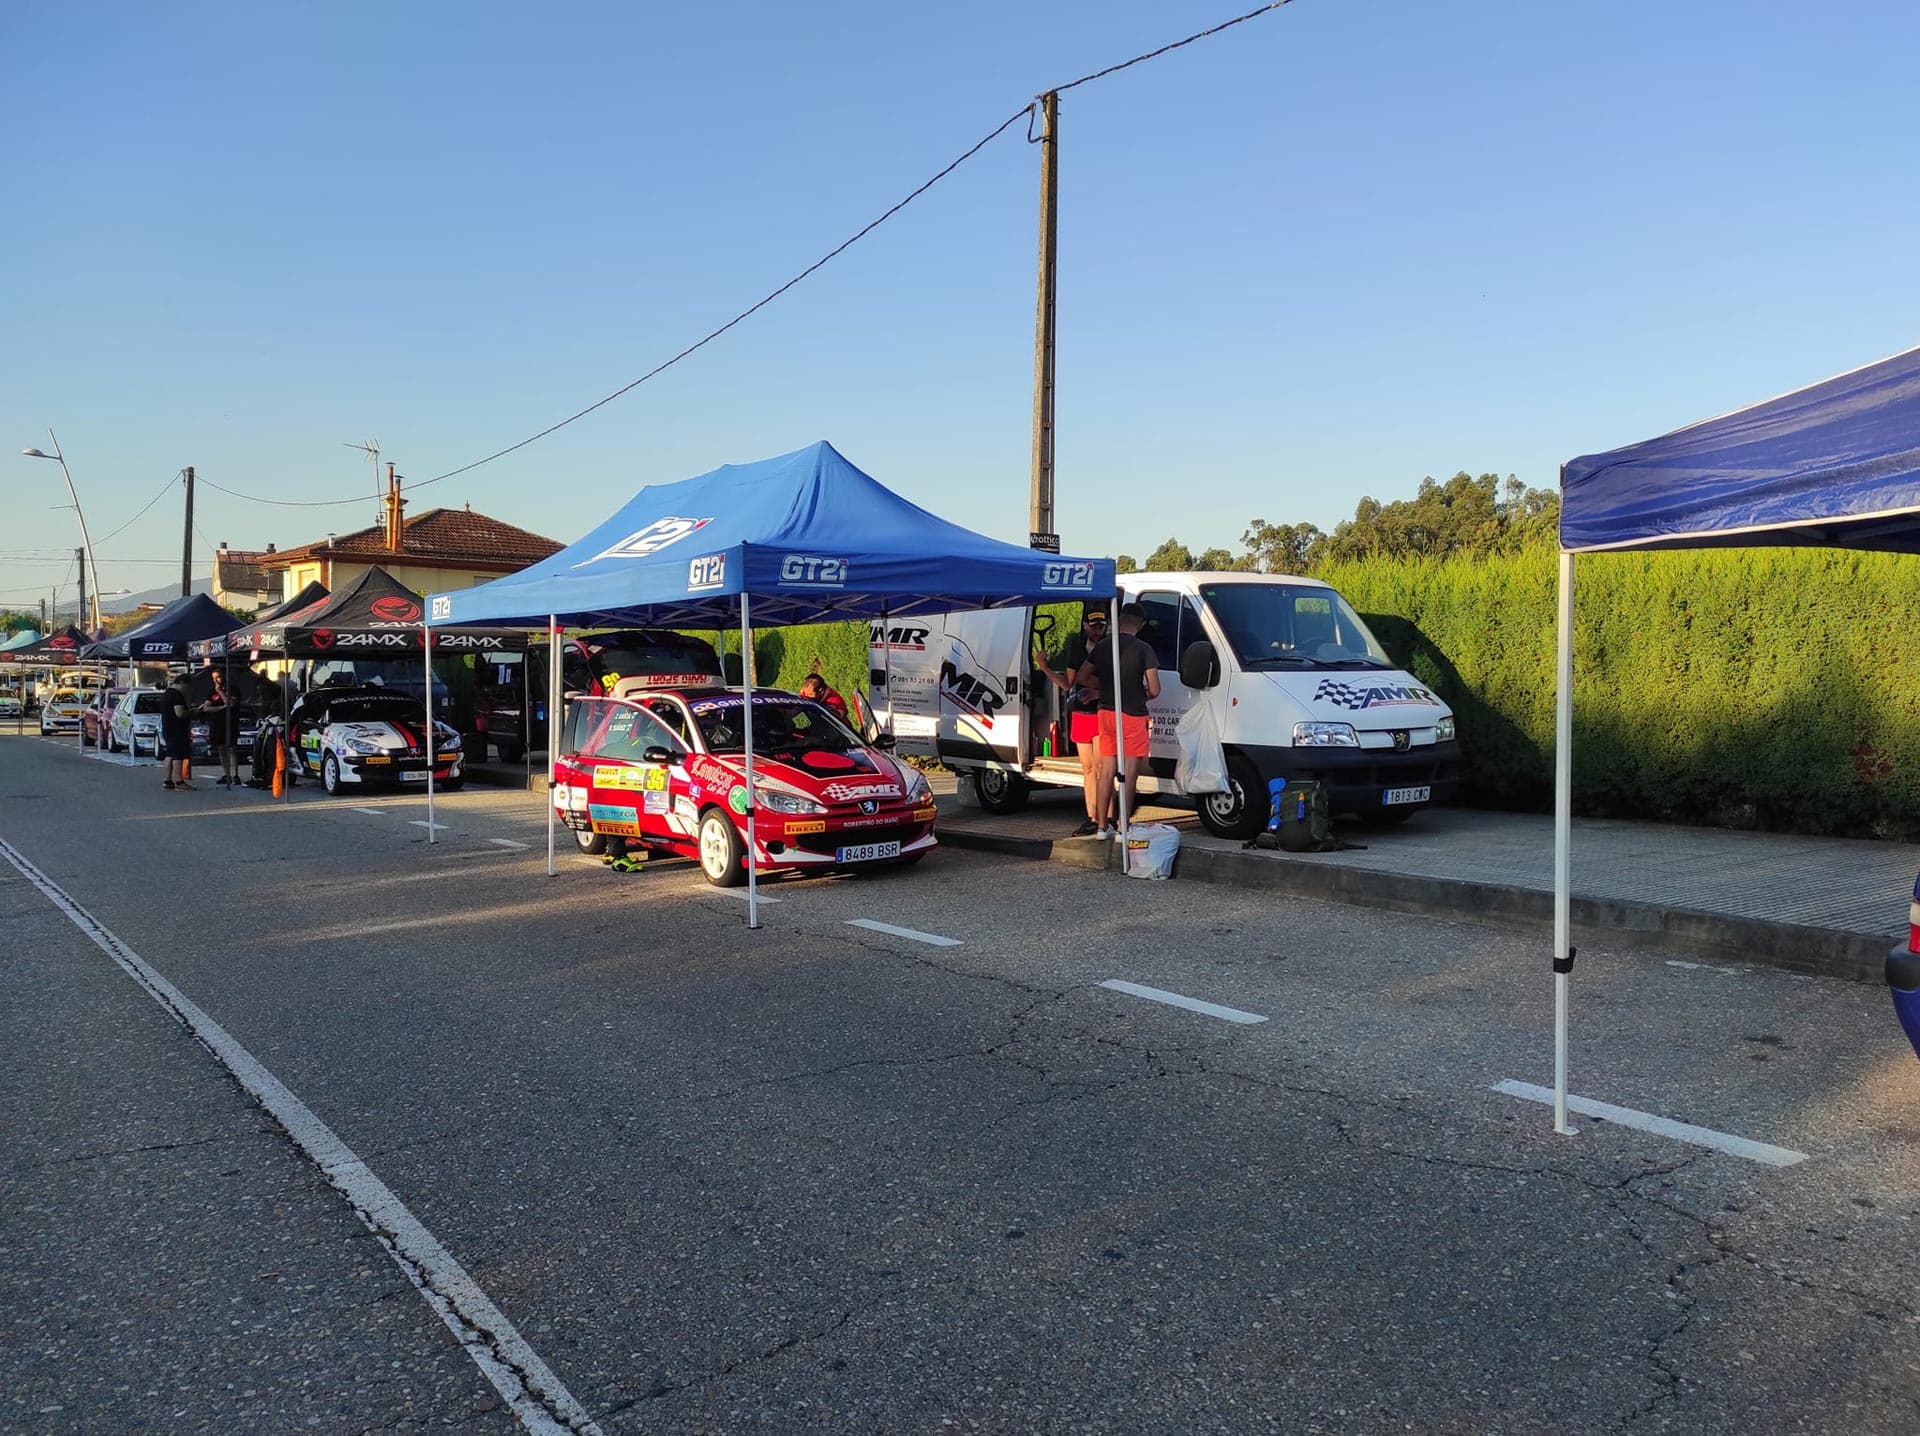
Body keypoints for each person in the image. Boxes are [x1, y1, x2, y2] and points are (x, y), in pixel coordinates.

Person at [1072, 603, 1159, 836]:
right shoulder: (1144, 649)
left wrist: (1102, 687)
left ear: (1119, 621)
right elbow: (1155, 689)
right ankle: (1123, 827)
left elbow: (1081, 677)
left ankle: (1102, 827)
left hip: (1105, 713)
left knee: (1106, 770)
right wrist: (1139, 693)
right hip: (1133, 714)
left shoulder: (1102, 646)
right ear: (1139, 625)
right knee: (1130, 773)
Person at [1033, 610, 1108, 837]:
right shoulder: (1077, 648)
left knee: (1103, 769)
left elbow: (1112, 681)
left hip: (1102, 712)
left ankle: (1107, 818)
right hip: (1082, 712)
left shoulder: (1108, 648)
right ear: (1085, 626)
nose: (1098, 630)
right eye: (1094, 626)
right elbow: (1069, 685)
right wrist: (1044, 668)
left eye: (1101, 626)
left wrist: (1097, 689)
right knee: (1088, 768)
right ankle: (1092, 817)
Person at [200, 669, 241, 786]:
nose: (216, 680)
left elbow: (231, 704)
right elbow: (206, 708)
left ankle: (235, 775)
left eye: (218, 677)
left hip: (230, 722)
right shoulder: (211, 691)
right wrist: (221, 708)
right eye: (214, 678)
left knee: (232, 748)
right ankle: (226, 773)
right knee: (221, 749)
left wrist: (221, 692)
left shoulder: (233, 690)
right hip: (217, 723)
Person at [160, 675, 193, 791]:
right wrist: (192, 712)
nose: (187, 689)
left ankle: (167, 780)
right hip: (177, 729)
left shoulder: (166, 694)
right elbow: (179, 713)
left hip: (167, 728)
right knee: (178, 755)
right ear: (182, 683)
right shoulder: (176, 695)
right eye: (187, 686)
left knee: (170, 754)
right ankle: (178, 781)